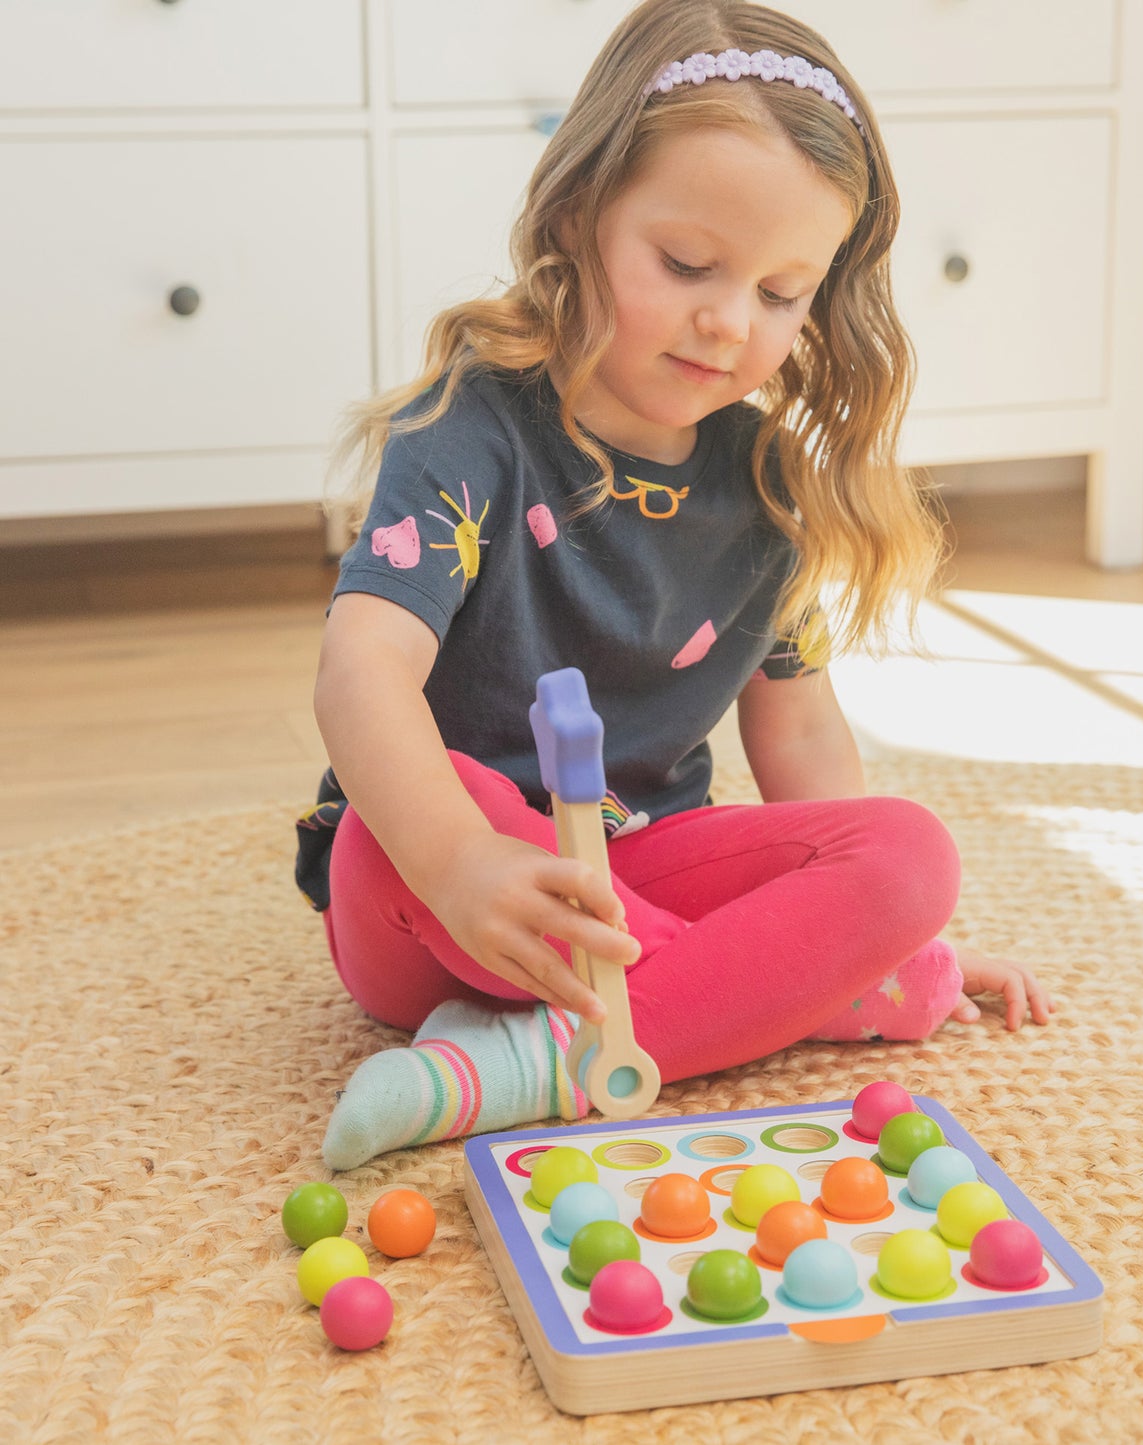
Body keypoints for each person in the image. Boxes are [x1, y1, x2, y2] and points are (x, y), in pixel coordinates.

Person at [300, 0, 1052, 1171]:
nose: (725, 322)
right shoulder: (468, 428)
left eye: (778, 291)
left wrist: (880, 915)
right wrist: (461, 859)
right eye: (688, 264)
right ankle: (751, 999)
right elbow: (360, 672)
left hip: (639, 867)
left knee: (911, 853)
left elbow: (797, 724)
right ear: (578, 217)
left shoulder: (771, 488)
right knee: (417, 804)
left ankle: (528, 1060)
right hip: (440, 884)